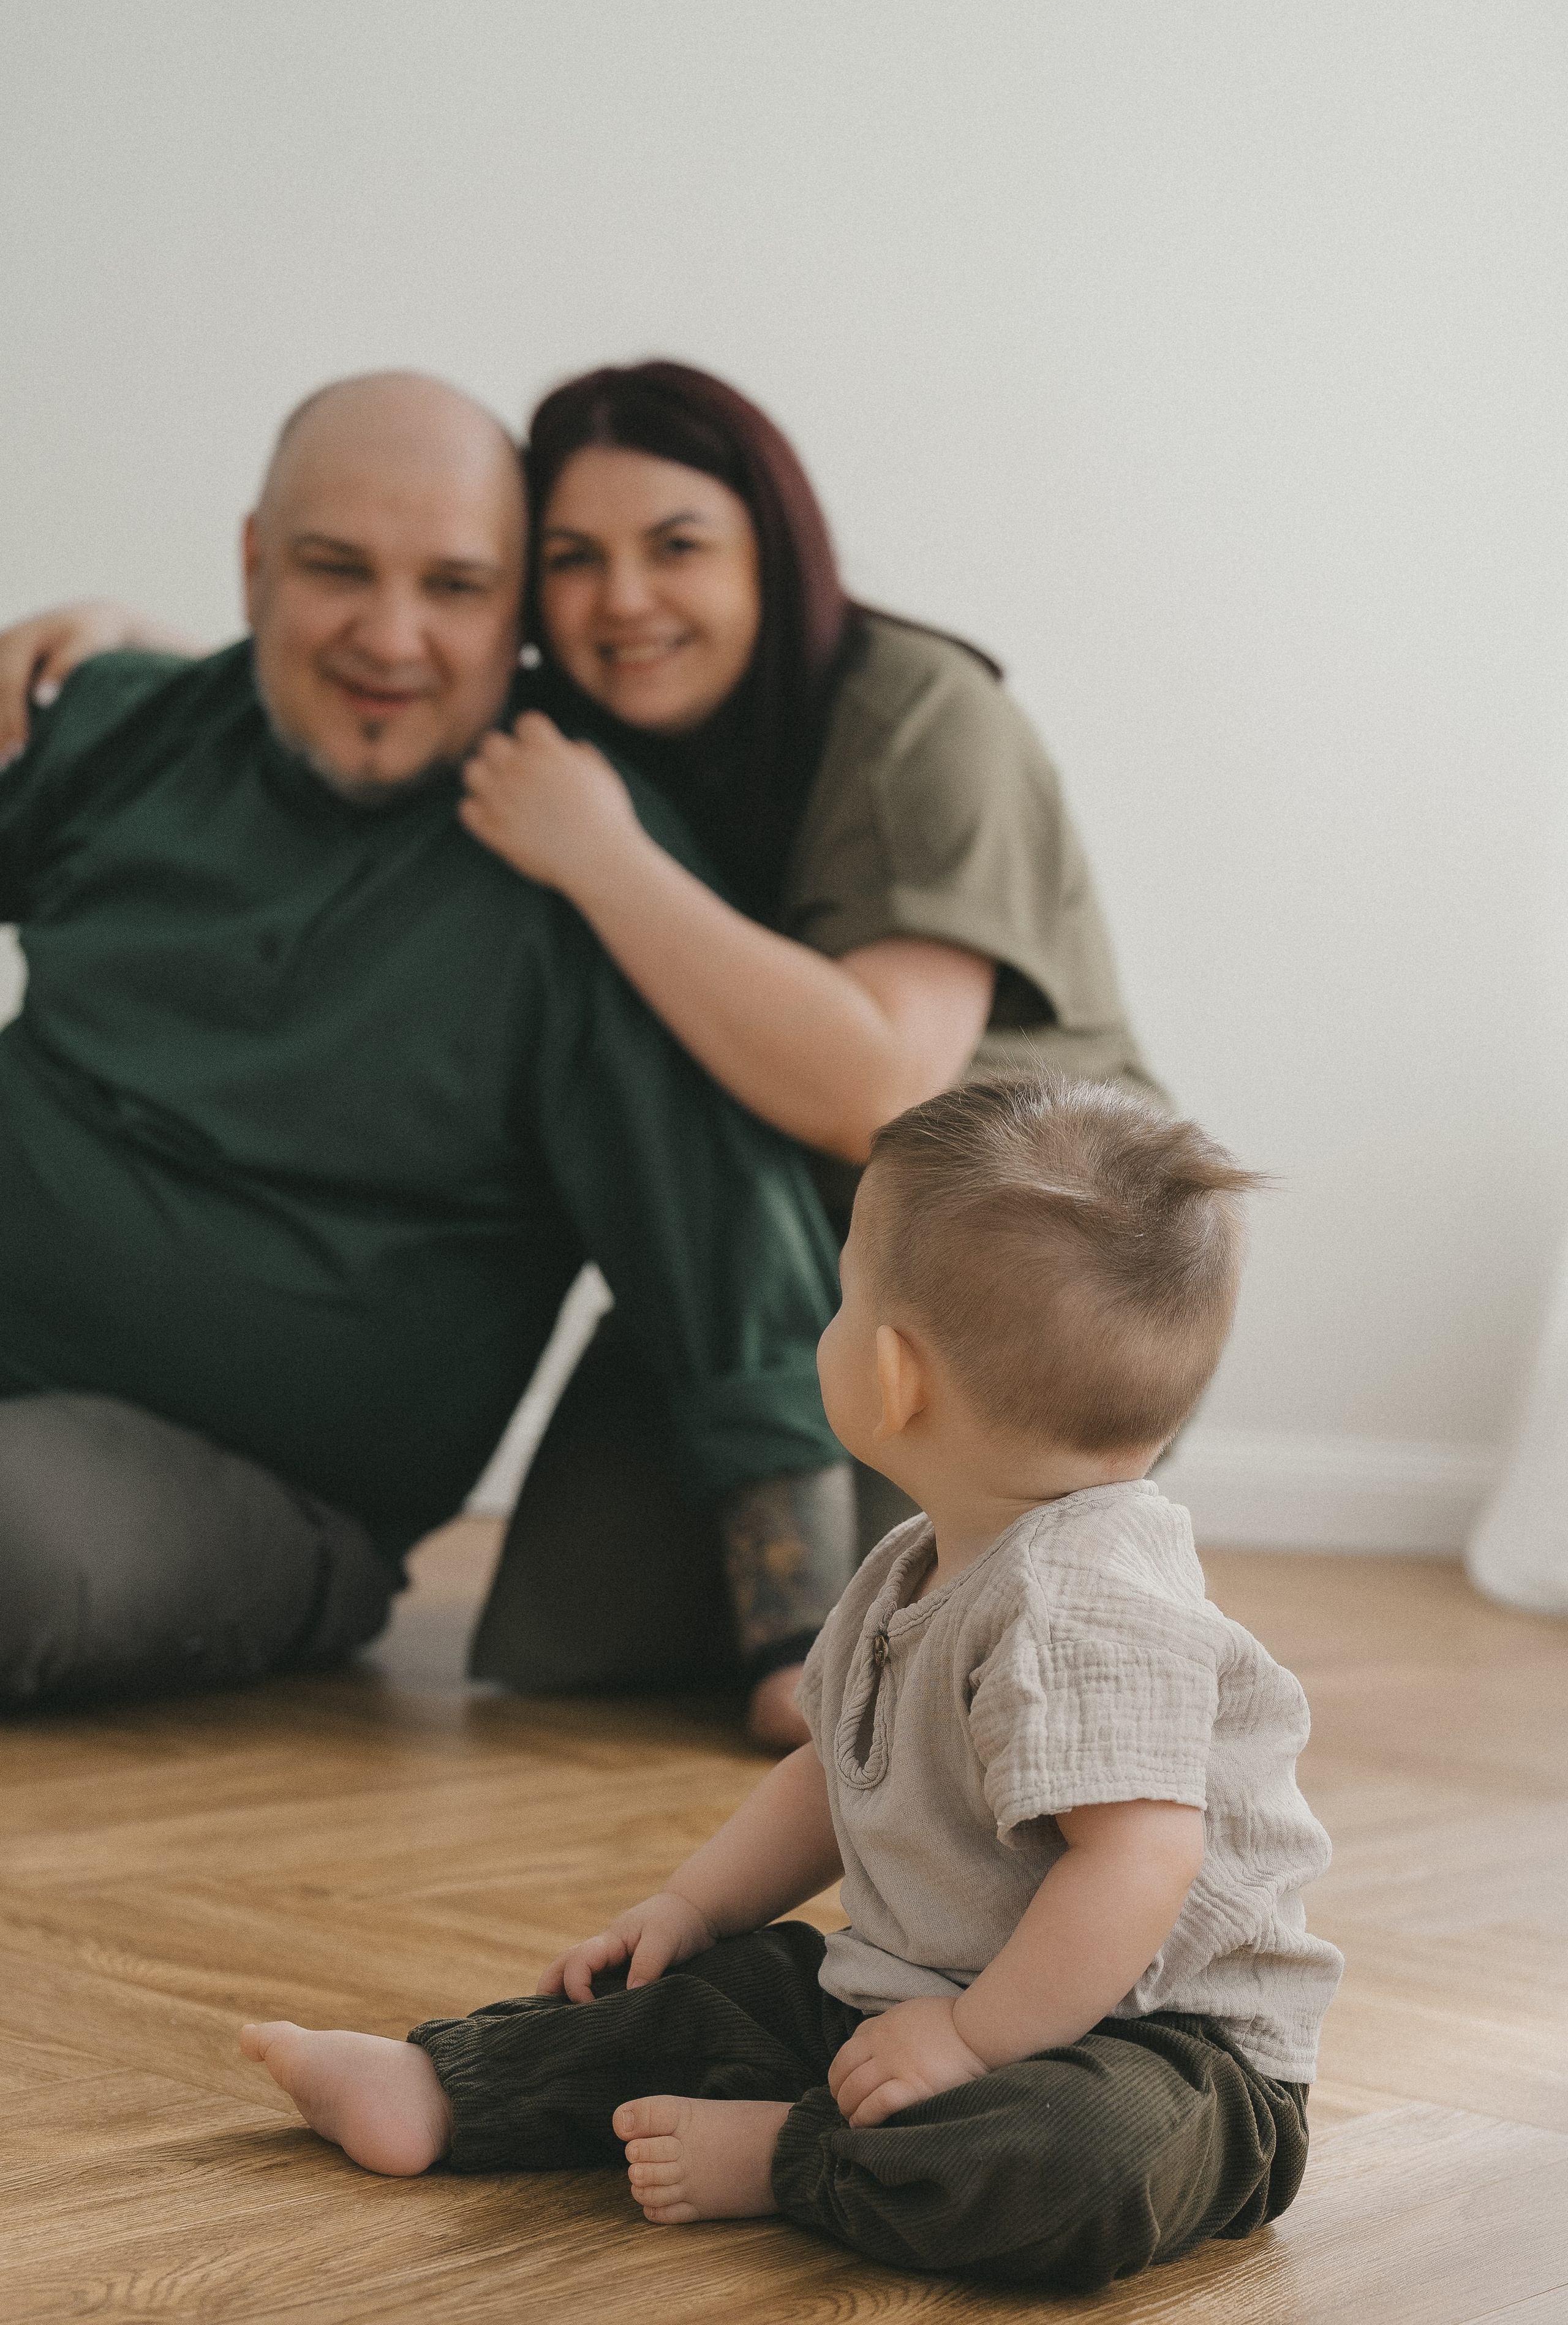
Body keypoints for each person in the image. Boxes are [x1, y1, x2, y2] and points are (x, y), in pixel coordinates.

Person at [0, 360, 1164, 1699]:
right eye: (333, 570)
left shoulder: (837, 754)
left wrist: (797, 1635)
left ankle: (1037, 1595)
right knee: (571, 1630)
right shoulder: (150, 721)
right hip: (823, 1239)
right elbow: (292, 690)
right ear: (258, 565)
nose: (391, 635)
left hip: (1015, 1267)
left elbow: (837, 1120)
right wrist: (121, 666)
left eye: (452, 585)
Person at [235, 1075, 1342, 2293]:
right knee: (711, 1995)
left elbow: (1137, 1863)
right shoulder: (916, 1563)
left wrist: (974, 2041)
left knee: (1079, 2160)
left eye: (839, 1295)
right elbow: (833, 1765)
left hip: (1158, 2049)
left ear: (891, 1374)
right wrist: (692, 1906)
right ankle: (449, 2089)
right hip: (922, 1995)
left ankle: (793, 2160)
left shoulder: (1091, 1606)